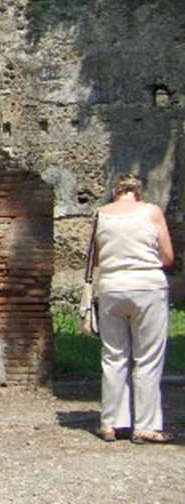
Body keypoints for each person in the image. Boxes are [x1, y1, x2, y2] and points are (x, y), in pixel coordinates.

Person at [93, 172, 175, 443]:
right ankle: (145, 426)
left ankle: (111, 423)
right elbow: (167, 256)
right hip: (147, 288)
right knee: (147, 359)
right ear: (138, 192)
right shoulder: (151, 212)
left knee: (114, 357)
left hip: (111, 289)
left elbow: (96, 257)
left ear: (114, 191)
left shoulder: (100, 214)